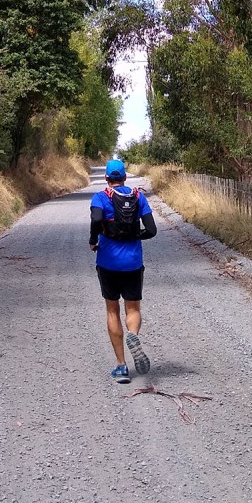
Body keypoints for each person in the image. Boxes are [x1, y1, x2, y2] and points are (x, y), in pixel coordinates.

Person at [89, 158, 157, 383]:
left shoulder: (101, 197)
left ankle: (121, 366)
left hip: (108, 262)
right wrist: (134, 235)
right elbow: (152, 230)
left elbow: (96, 219)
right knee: (133, 308)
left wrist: (93, 240)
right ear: (125, 177)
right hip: (133, 263)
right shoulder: (138, 197)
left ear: (106, 178)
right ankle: (133, 335)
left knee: (112, 310)